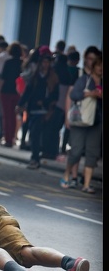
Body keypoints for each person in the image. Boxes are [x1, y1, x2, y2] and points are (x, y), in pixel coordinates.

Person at [60, 54, 102, 194]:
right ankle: (67, 174)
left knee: (92, 153)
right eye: (98, 65)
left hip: (96, 122)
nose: (101, 69)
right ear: (93, 66)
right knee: (76, 151)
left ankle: (87, 184)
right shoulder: (84, 79)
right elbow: (73, 95)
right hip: (81, 120)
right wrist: (91, 94)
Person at [15, 46, 59, 169]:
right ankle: (35, 157)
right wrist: (20, 104)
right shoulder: (35, 76)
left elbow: (55, 95)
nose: (45, 64)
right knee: (33, 134)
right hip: (33, 109)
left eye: (47, 62)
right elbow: (28, 92)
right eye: (43, 61)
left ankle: (37, 157)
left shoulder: (53, 78)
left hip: (46, 110)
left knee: (40, 134)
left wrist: (46, 103)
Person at [0, 41, 23, 147]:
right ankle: (13, 137)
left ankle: (8, 138)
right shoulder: (22, 63)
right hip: (17, 92)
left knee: (7, 116)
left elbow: (3, 78)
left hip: (6, 91)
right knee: (14, 116)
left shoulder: (8, 62)